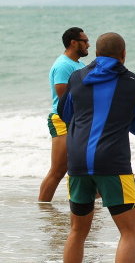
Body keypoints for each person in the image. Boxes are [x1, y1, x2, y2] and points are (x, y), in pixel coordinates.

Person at [58, 32, 135, 262]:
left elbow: (65, 113)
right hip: (113, 163)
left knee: (77, 231)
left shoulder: (77, 77)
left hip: (77, 162)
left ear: (96, 54)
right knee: (130, 232)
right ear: (124, 55)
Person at [39, 27, 89, 202]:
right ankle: (43, 208)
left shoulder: (79, 65)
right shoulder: (63, 65)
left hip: (77, 120)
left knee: (85, 168)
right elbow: (63, 97)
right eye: (84, 41)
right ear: (73, 42)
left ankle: (88, 209)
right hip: (62, 120)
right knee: (58, 170)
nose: (88, 44)